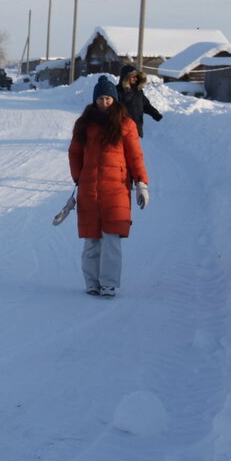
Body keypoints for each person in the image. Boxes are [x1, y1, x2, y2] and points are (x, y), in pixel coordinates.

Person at [68, 76, 149, 298]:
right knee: (92, 240)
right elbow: (74, 153)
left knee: (112, 239)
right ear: (95, 100)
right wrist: (79, 177)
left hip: (117, 190)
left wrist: (142, 182)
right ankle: (92, 283)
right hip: (89, 188)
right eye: (101, 98)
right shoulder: (84, 123)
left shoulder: (126, 123)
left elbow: (135, 156)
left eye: (108, 98)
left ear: (114, 99)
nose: (105, 102)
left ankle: (109, 284)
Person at [116, 64, 163, 138]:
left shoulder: (138, 91)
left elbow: (145, 105)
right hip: (122, 130)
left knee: (134, 149)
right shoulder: (117, 91)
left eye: (136, 77)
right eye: (133, 77)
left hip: (136, 128)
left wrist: (154, 113)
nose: (135, 79)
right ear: (125, 78)